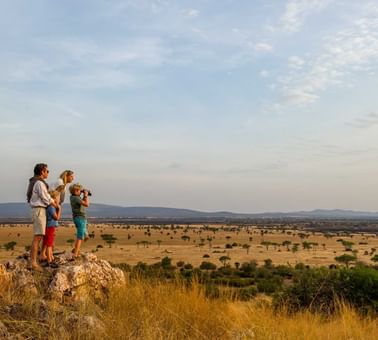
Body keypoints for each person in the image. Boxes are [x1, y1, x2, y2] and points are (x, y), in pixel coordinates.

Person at [26, 163, 57, 271]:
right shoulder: (39, 183)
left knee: (39, 236)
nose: (48, 173)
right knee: (38, 237)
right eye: (47, 171)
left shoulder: (35, 182)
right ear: (42, 171)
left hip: (38, 210)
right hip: (39, 210)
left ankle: (35, 260)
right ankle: (33, 263)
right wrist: (55, 203)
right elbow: (46, 197)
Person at [40, 190, 61, 268]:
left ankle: (49, 257)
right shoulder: (51, 207)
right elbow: (56, 218)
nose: (59, 199)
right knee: (49, 244)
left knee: (47, 243)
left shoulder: (49, 207)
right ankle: (49, 260)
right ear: (54, 198)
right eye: (58, 198)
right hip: (50, 227)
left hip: (47, 227)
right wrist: (59, 209)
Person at [69, 183, 90, 258]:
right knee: (80, 237)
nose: (79, 191)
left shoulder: (74, 197)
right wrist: (86, 195)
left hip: (81, 218)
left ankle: (75, 249)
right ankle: (75, 254)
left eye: (79, 190)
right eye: (77, 190)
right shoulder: (75, 198)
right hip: (80, 218)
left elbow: (83, 203)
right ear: (73, 191)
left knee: (86, 236)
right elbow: (87, 204)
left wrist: (84, 195)